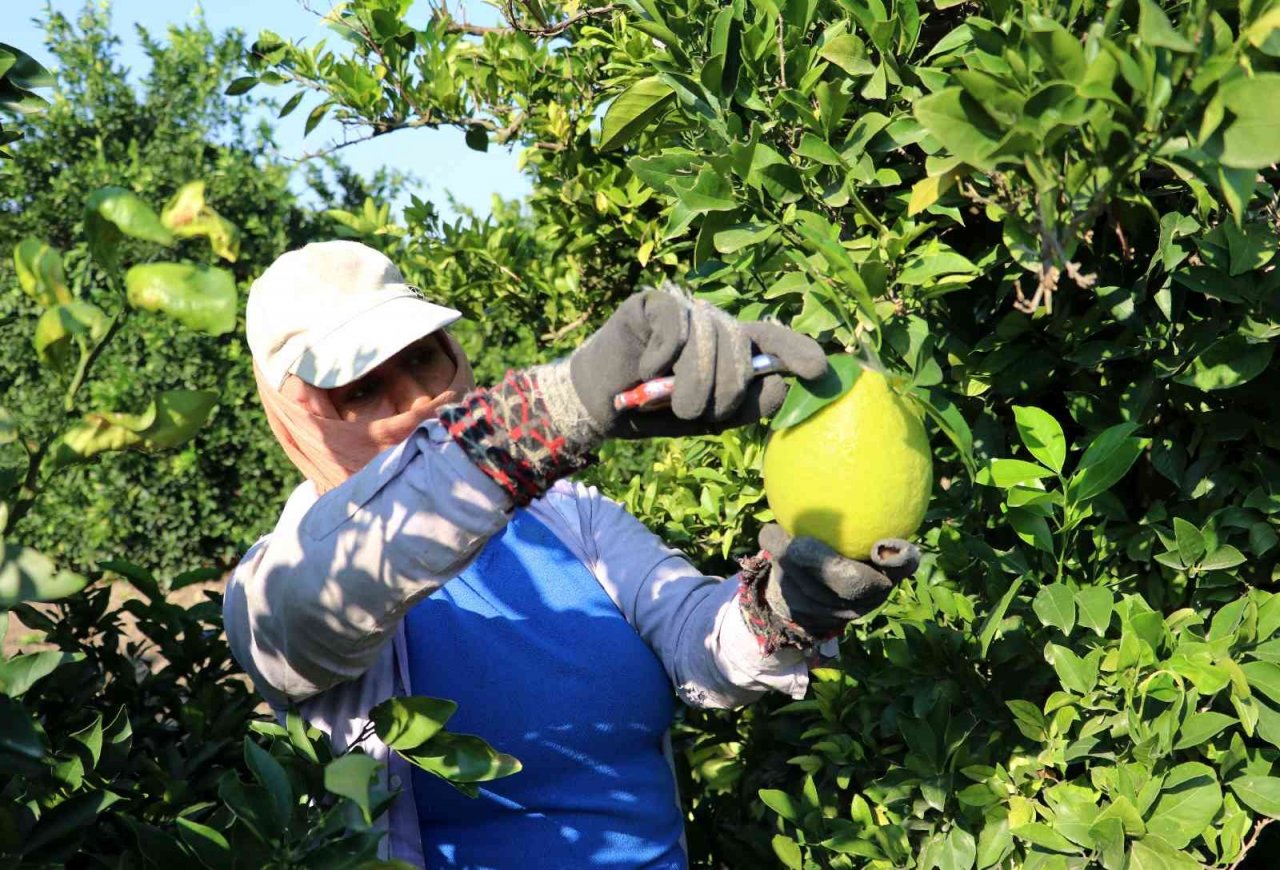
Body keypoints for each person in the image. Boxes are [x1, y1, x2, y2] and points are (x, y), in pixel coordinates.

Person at [224, 240, 921, 869]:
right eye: (362, 390)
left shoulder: (569, 518)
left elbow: (696, 640)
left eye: (421, 357)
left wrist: (785, 607)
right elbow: (332, 593)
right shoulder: (279, 587)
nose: (417, 401)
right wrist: (559, 407)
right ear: (297, 417)